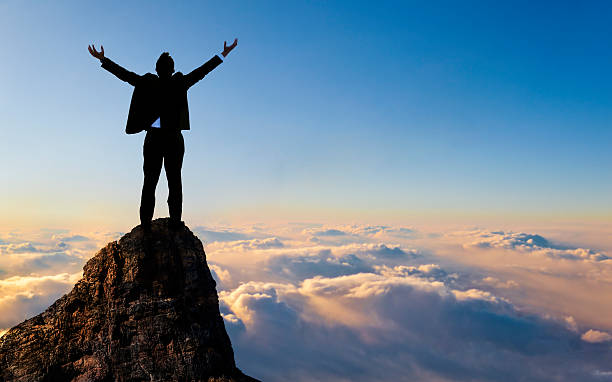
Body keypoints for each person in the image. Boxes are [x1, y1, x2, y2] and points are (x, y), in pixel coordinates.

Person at [88, 39, 238, 229]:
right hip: (174, 138)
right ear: (173, 69)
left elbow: (125, 76)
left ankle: (145, 224)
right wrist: (223, 54)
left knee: (150, 181)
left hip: (154, 138)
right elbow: (202, 72)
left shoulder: (148, 83)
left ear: (157, 69)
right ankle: (175, 221)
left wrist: (103, 59)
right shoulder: (179, 82)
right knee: (174, 180)